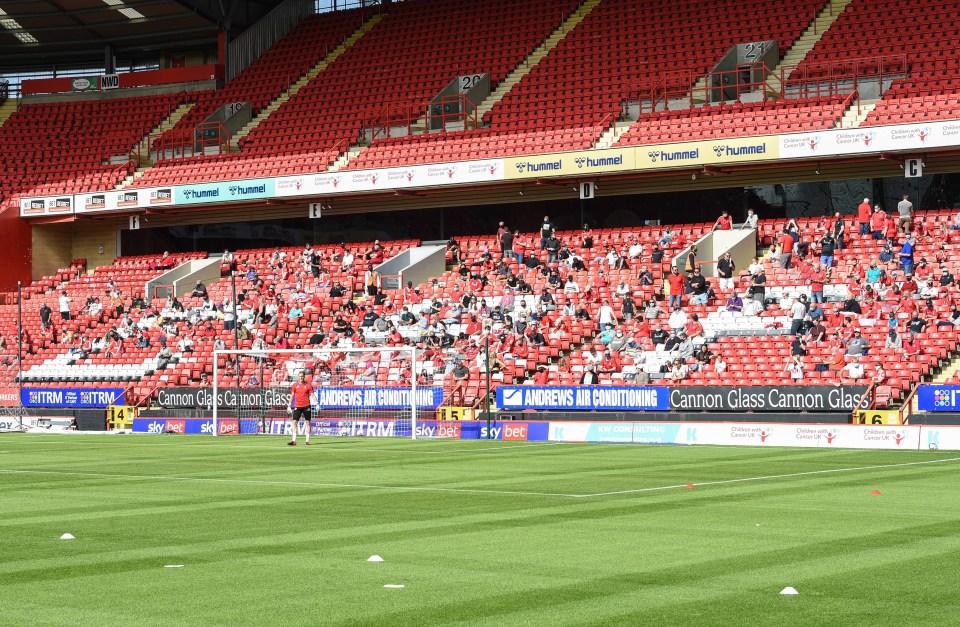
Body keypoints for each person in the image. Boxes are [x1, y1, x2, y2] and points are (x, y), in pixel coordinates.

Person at [287, 370, 317, 446]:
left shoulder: (308, 385)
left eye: (302, 377)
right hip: (298, 406)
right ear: (298, 377)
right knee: (294, 422)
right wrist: (289, 405)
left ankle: (307, 441)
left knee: (307, 422)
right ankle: (293, 440)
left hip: (306, 406)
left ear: (304, 377)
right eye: (300, 377)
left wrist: (316, 403)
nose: (301, 378)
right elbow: (292, 395)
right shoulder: (295, 385)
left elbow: (313, 395)